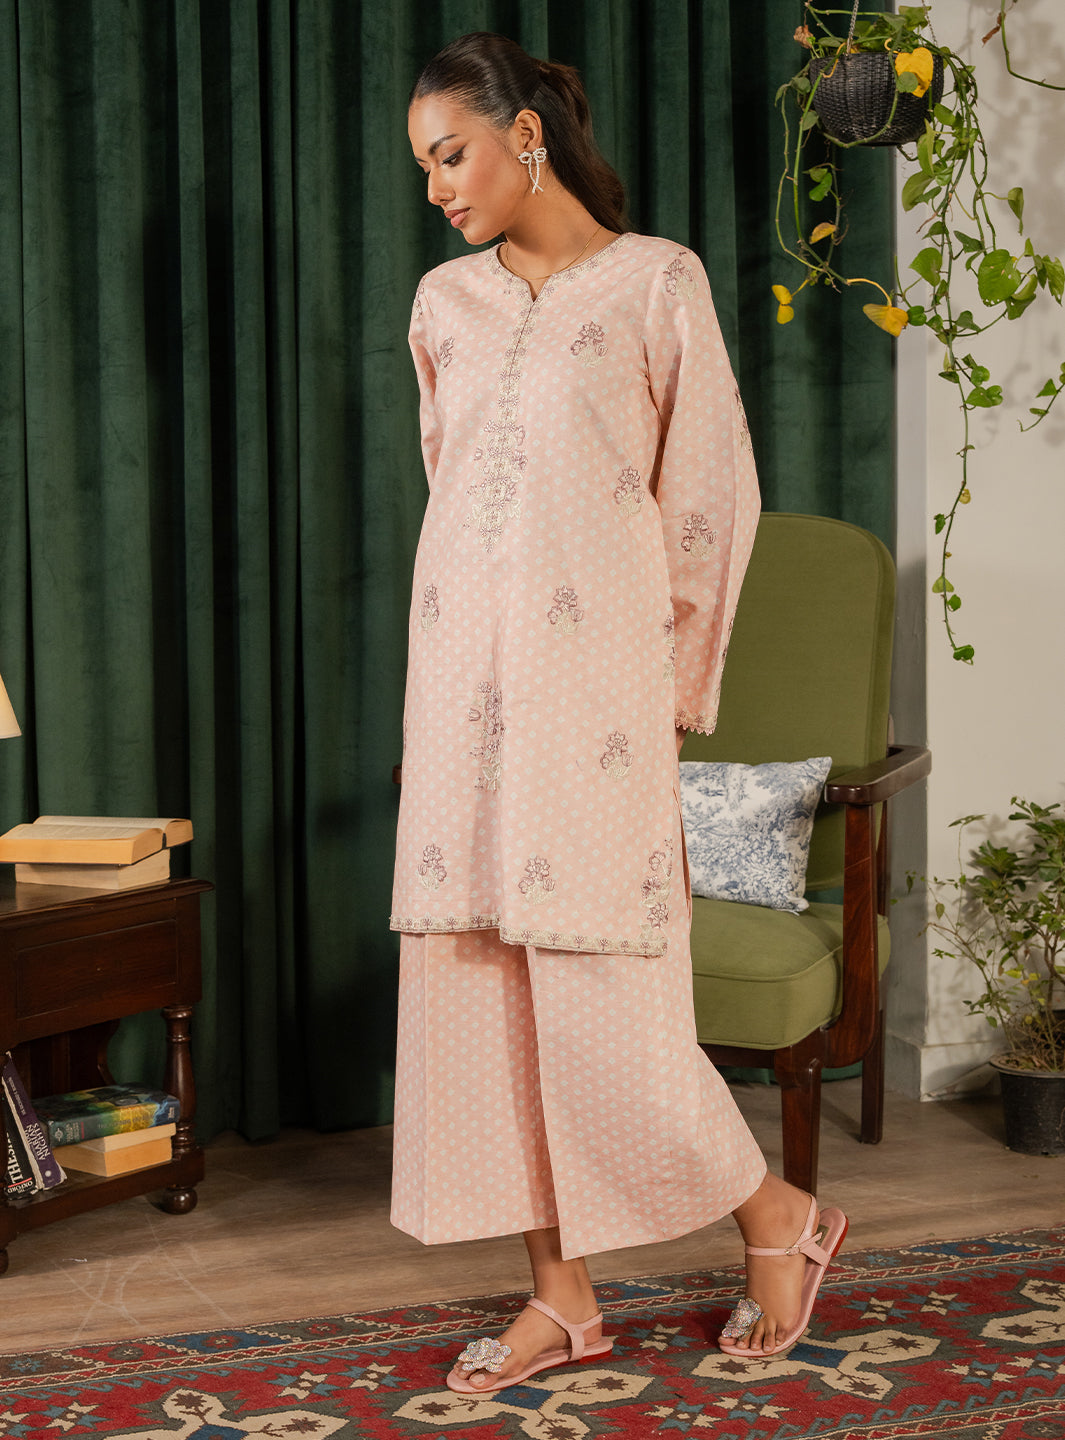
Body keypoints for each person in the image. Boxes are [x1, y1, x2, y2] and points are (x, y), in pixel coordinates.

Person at [390, 31, 846, 1393]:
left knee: (605, 1003)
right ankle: (562, 1298)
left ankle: (778, 1214)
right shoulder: (442, 303)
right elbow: (452, 492)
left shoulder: (656, 282)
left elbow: (707, 499)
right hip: (460, 688)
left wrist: (673, 687)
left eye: (451, 156)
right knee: (483, 989)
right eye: (423, 168)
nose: (436, 189)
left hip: (595, 697)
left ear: (525, 135)